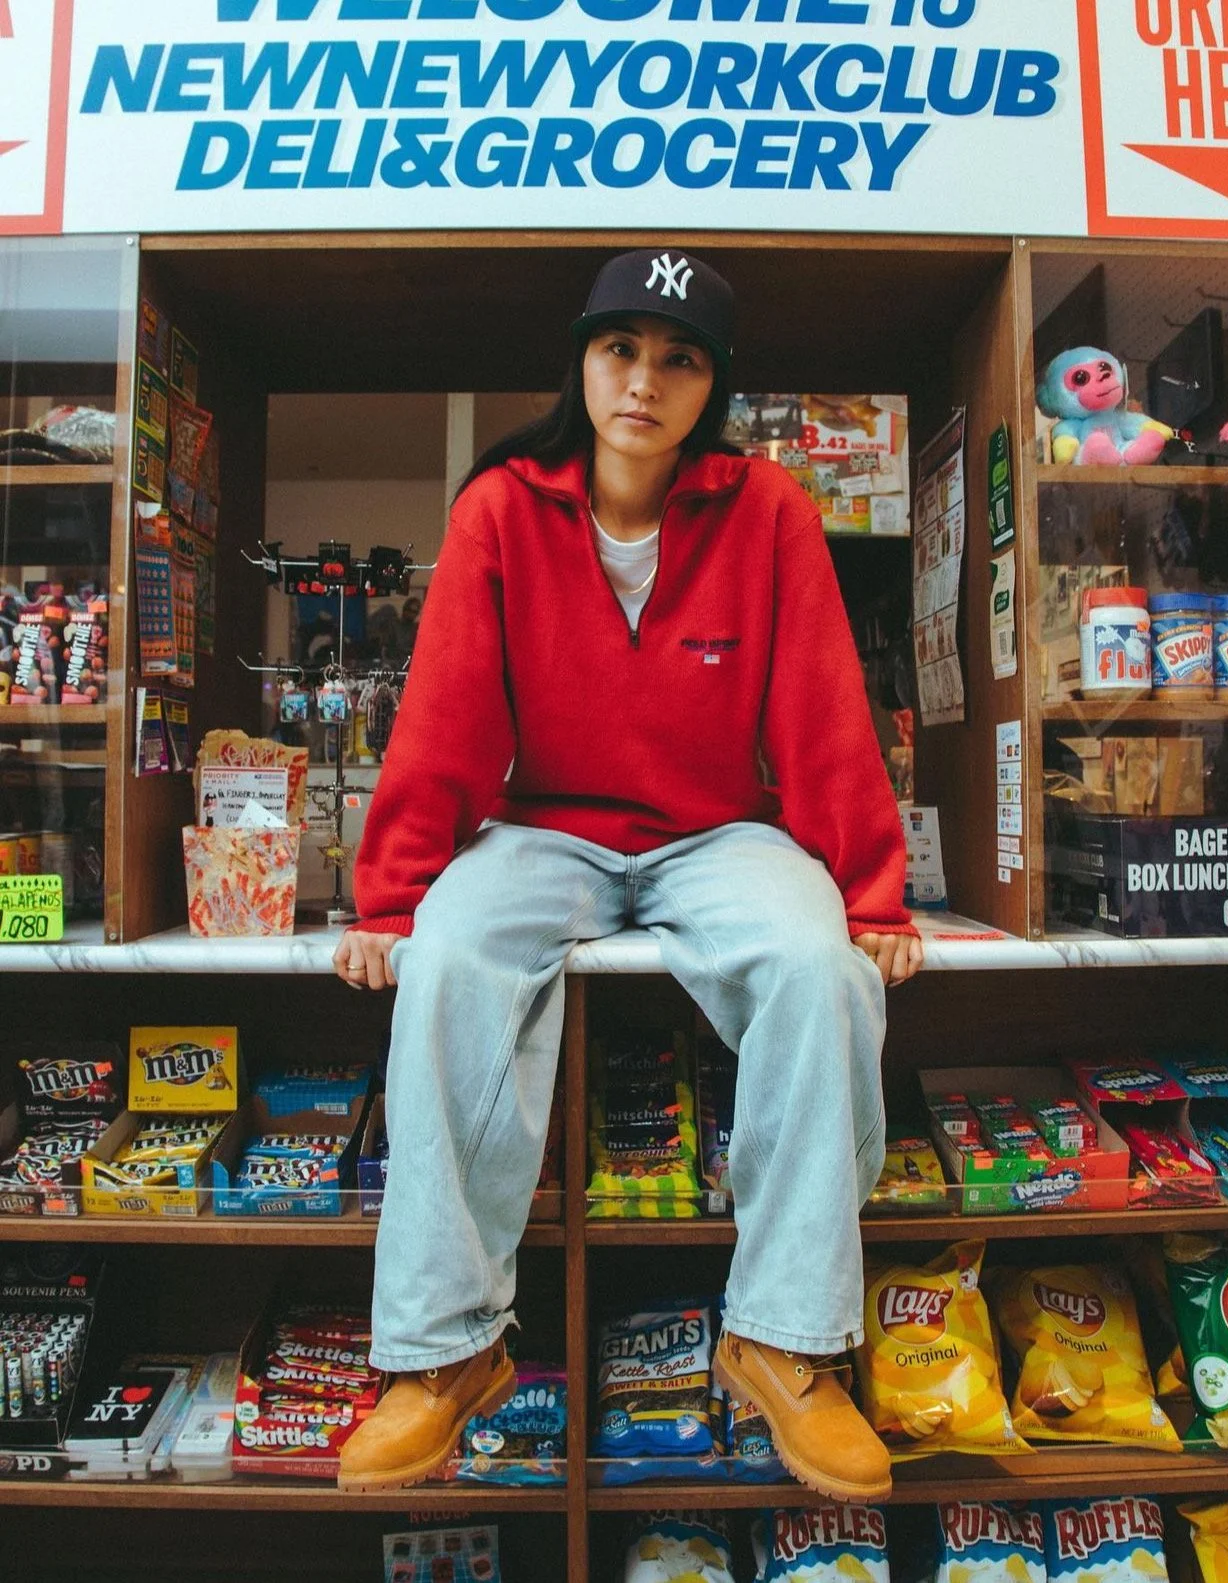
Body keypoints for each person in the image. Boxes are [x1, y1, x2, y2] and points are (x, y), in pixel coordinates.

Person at [332, 249, 923, 1500]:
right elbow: (444, 715)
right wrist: (391, 896)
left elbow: (822, 709)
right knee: (446, 955)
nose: (643, 381)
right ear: (583, 362)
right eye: (621, 350)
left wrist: (871, 896)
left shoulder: (770, 512)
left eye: (679, 358)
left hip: (722, 833)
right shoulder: (499, 507)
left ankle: (781, 1338)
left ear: (714, 386)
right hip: (543, 827)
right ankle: (448, 1353)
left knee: (822, 970)